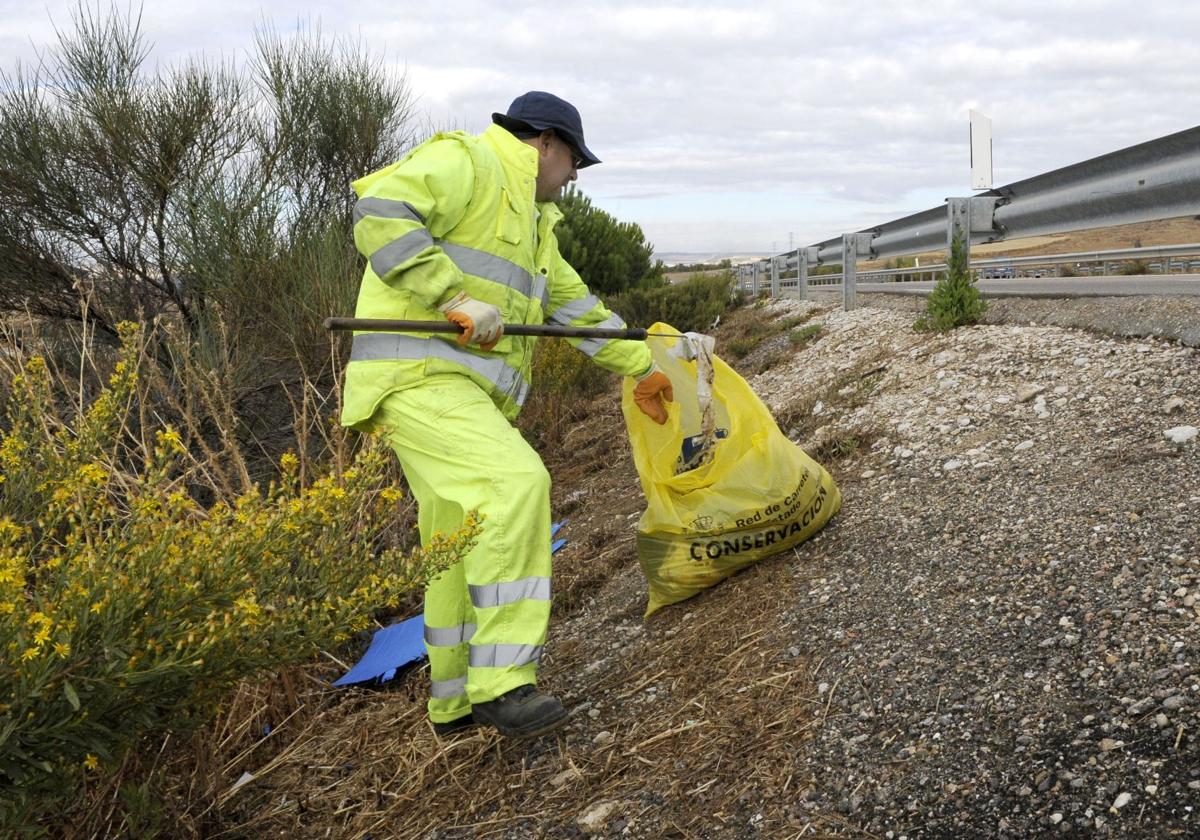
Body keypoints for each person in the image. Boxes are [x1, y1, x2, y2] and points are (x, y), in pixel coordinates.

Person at [341, 91, 674, 738]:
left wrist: (647, 369)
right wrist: (452, 295)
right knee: (518, 486)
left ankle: (453, 702)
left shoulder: (535, 231)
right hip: (418, 380)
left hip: (450, 394)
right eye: (575, 159)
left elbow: (579, 315)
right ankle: (502, 683)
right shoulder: (468, 162)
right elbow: (379, 212)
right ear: (546, 142)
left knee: (455, 544)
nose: (575, 175)